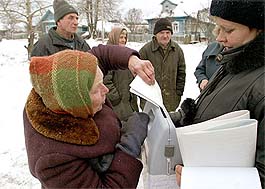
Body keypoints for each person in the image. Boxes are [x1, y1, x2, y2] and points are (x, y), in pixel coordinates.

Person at [23, 45, 155, 188]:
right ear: (77, 101)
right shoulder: (53, 160)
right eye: (97, 88)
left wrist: (132, 61)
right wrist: (129, 147)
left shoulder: (71, 84)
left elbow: (101, 55)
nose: (106, 89)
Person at [170, 0, 265, 187]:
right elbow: (209, 109)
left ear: (258, 29)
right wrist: (168, 119)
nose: (219, 38)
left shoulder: (260, 83)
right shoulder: (233, 60)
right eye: (217, 28)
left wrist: (199, 181)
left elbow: (261, 178)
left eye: (228, 30)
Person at [139, 18, 186, 112]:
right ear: (155, 34)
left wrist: (178, 94)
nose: (165, 36)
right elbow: (138, 77)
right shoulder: (145, 51)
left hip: (171, 101)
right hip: (150, 101)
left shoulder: (177, 50)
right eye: (161, 33)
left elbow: (181, 74)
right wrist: (143, 97)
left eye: (168, 32)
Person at [103, 27, 138, 121]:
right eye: (121, 37)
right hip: (116, 105)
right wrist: (115, 98)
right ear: (114, 37)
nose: (123, 40)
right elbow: (105, 80)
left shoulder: (126, 54)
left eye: (125, 37)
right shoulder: (107, 55)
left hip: (128, 102)